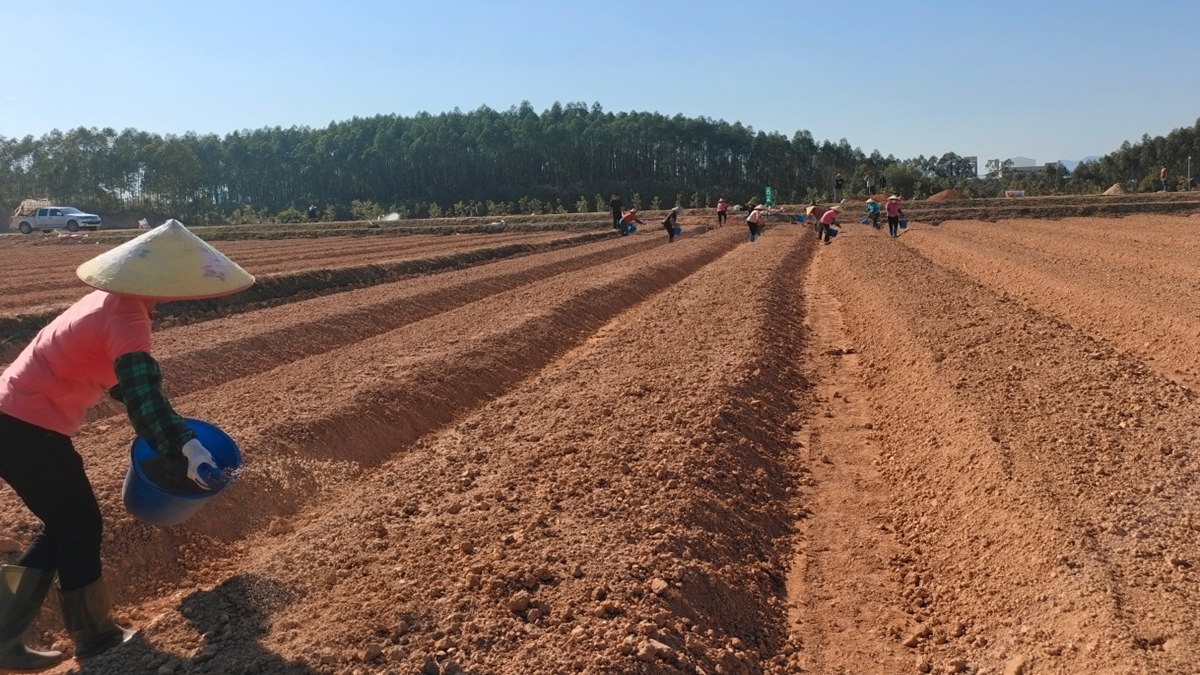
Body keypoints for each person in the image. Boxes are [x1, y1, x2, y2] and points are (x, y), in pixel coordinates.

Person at [0, 220, 254, 667]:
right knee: (79, 526)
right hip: (25, 428)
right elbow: (142, 393)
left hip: (13, 420)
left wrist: (174, 435)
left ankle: (4, 637)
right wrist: (186, 447)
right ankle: (96, 639)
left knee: (64, 526)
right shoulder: (128, 316)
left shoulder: (106, 301)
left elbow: (122, 382)